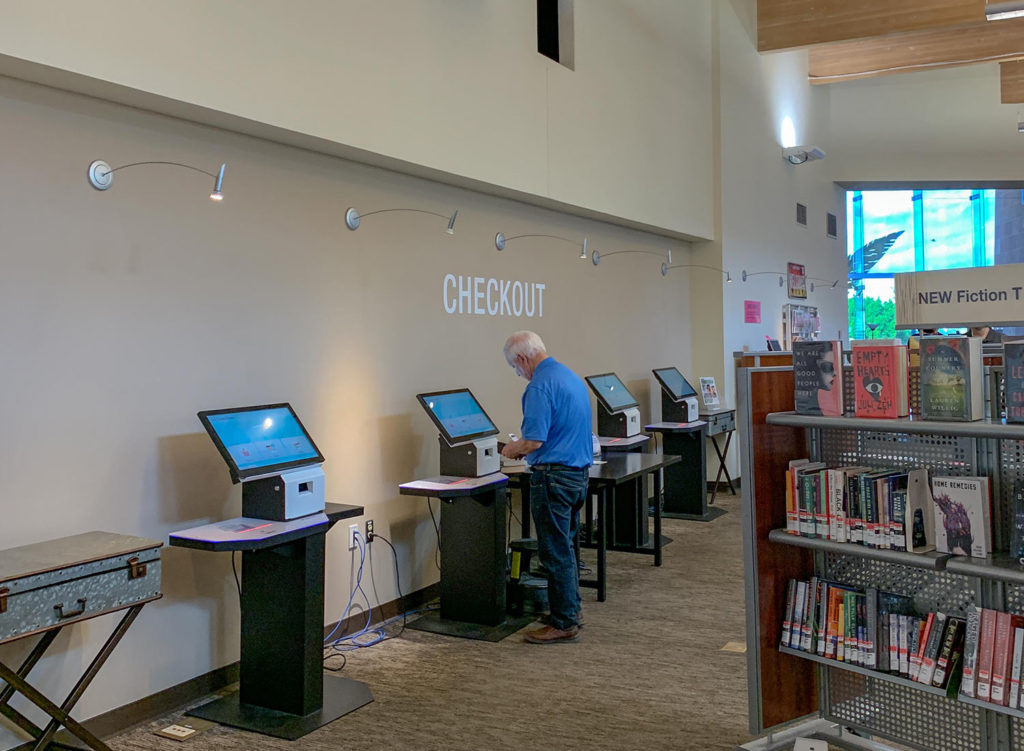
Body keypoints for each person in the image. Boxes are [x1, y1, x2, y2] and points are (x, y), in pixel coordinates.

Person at [500, 331, 592, 644]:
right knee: (567, 548)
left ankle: (564, 622)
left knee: (554, 553)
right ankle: (570, 610)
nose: (518, 373)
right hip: (577, 476)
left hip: (553, 478)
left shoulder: (539, 385)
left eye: (515, 367)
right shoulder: (569, 376)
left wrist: (510, 450)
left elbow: (534, 441)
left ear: (522, 358)